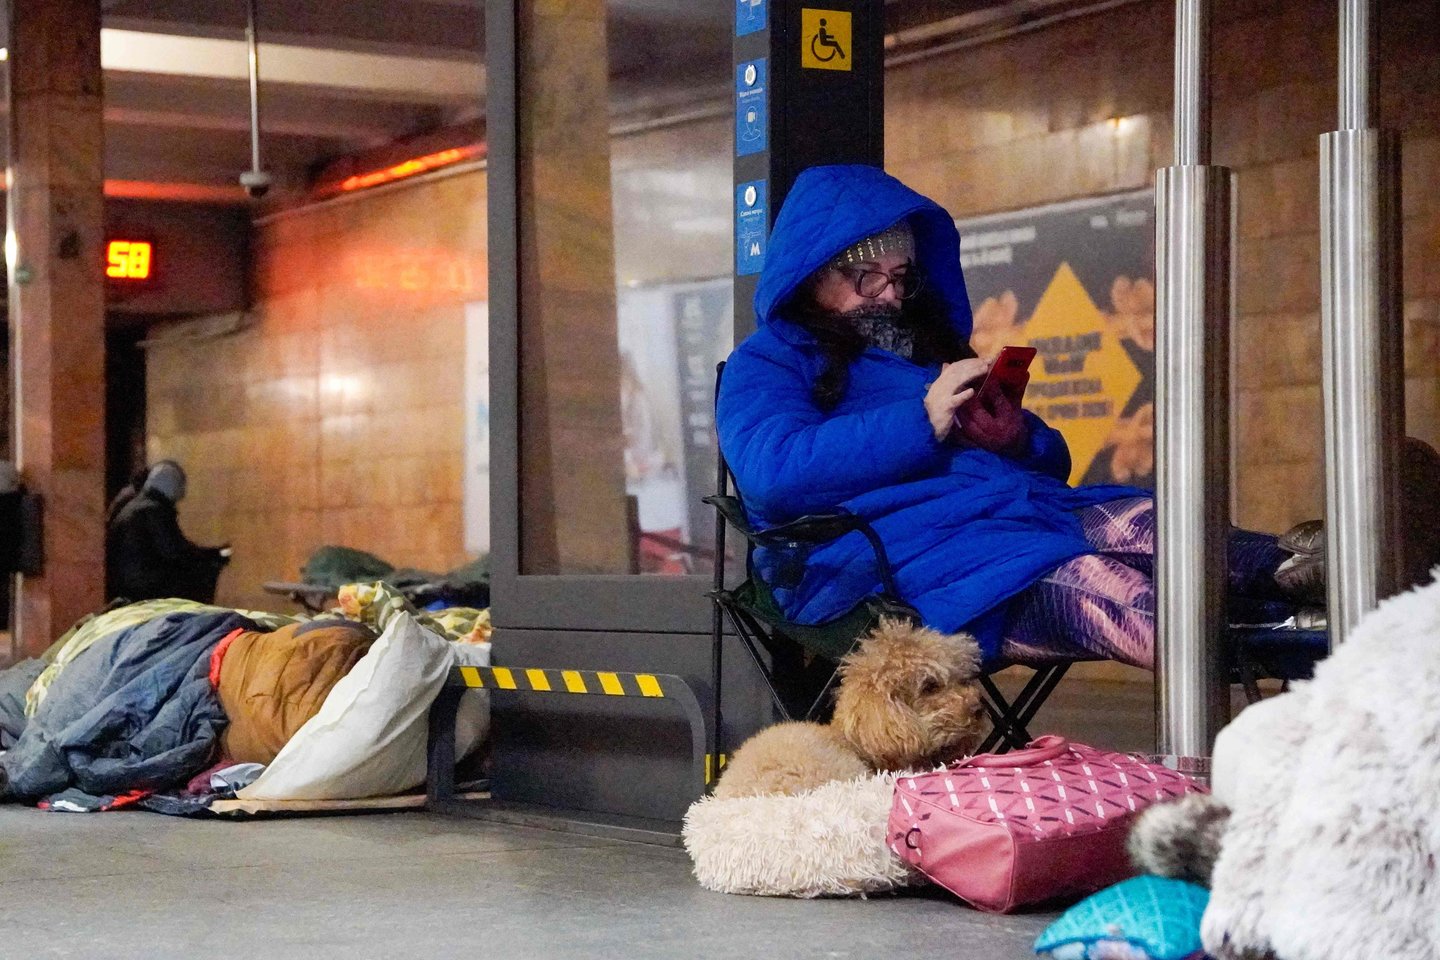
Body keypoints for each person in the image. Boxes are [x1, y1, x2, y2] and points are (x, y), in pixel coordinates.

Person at [716, 164, 1291, 669]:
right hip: (888, 560)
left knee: (1168, 529)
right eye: (867, 276)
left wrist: (1015, 439)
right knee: (1102, 589)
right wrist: (921, 421)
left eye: (900, 277)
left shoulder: (926, 348)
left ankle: (1309, 585)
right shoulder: (768, 361)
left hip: (1016, 516)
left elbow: (1048, 467)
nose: (889, 295)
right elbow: (772, 474)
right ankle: (1282, 640)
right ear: (814, 273)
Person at [106, 460, 230, 604]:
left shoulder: (138, 506)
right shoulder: (154, 510)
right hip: (145, 586)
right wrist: (211, 556)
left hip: (129, 582)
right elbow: (174, 551)